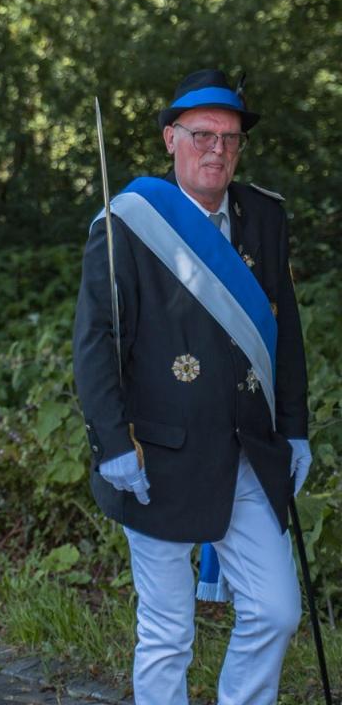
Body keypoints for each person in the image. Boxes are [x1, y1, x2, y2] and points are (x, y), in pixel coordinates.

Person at [72, 69, 310, 705]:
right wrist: (111, 441)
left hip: (249, 453)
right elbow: (96, 346)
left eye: (230, 139)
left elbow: (285, 335)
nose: (218, 150)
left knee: (277, 611)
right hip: (158, 455)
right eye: (203, 135)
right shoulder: (128, 222)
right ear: (171, 139)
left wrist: (295, 429)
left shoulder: (263, 215)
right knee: (168, 633)